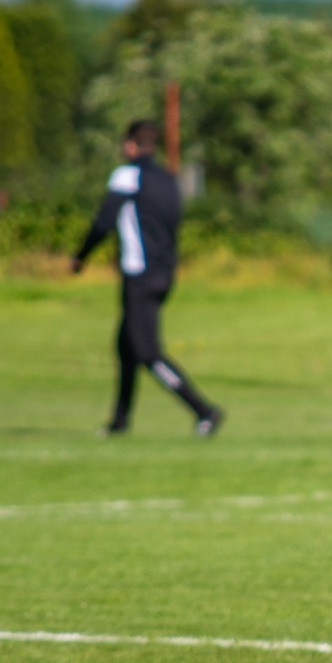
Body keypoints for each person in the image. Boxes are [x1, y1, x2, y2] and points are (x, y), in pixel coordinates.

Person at [72, 119, 223, 438]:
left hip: (139, 275)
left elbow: (103, 222)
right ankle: (119, 422)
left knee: (146, 352)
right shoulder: (168, 180)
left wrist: (80, 256)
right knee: (126, 346)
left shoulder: (127, 176)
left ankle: (204, 410)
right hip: (164, 273)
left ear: (129, 145)